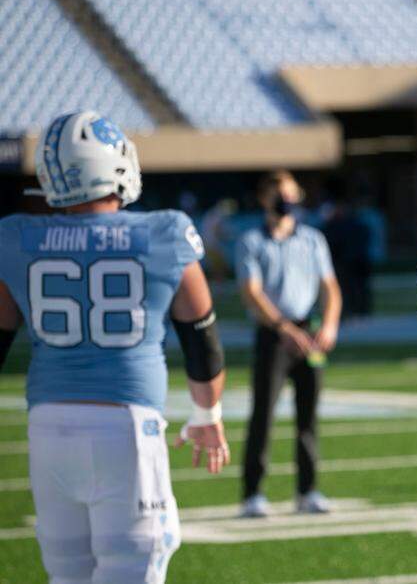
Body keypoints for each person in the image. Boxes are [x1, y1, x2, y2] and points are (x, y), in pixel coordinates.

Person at [0, 111, 229, 583]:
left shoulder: (17, 238)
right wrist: (207, 414)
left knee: (67, 577)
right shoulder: (164, 233)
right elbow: (202, 341)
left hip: (47, 429)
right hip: (126, 428)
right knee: (132, 570)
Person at [235, 170, 342, 517]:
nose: (286, 200)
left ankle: (307, 490)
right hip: (273, 334)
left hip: (308, 331)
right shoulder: (251, 240)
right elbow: (251, 292)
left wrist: (329, 325)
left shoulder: (312, 239)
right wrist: (282, 327)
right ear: (264, 198)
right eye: (278, 194)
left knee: (308, 416)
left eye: (290, 193)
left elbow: (330, 287)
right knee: (263, 415)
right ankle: (253, 493)